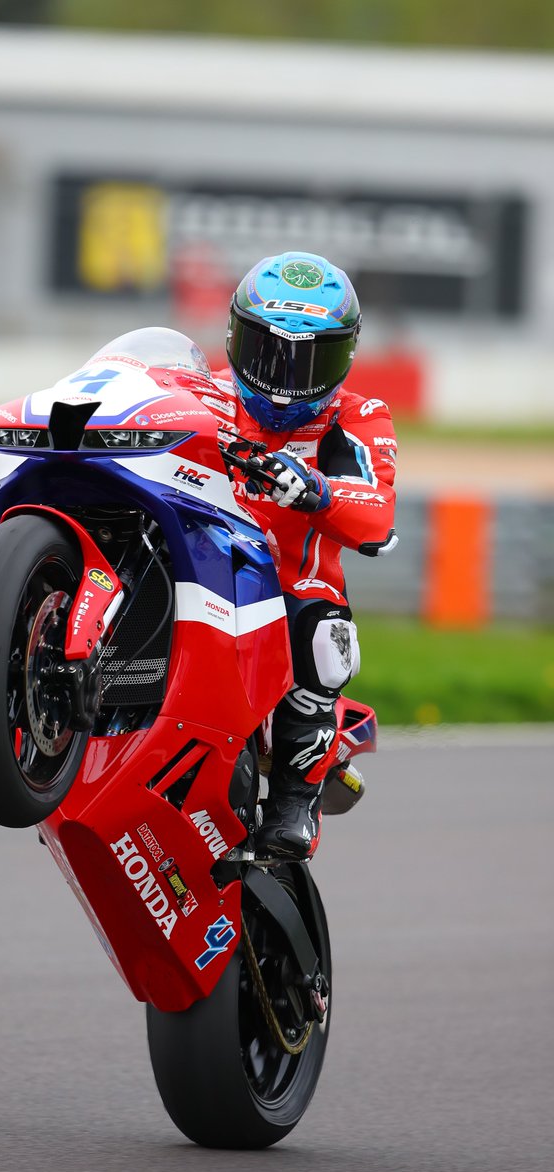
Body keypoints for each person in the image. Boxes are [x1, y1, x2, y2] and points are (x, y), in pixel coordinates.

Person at [201, 250, 398, 860]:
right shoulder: (198, 392)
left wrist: (317, 489)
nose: (285, 379)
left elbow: (379, 516)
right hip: (193, 567)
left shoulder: (360, 416)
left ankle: (294, 801)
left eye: (311, 359)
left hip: (290, 589)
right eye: (268, 354)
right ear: (235, 338)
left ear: (345, 356)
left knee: (325, 636)